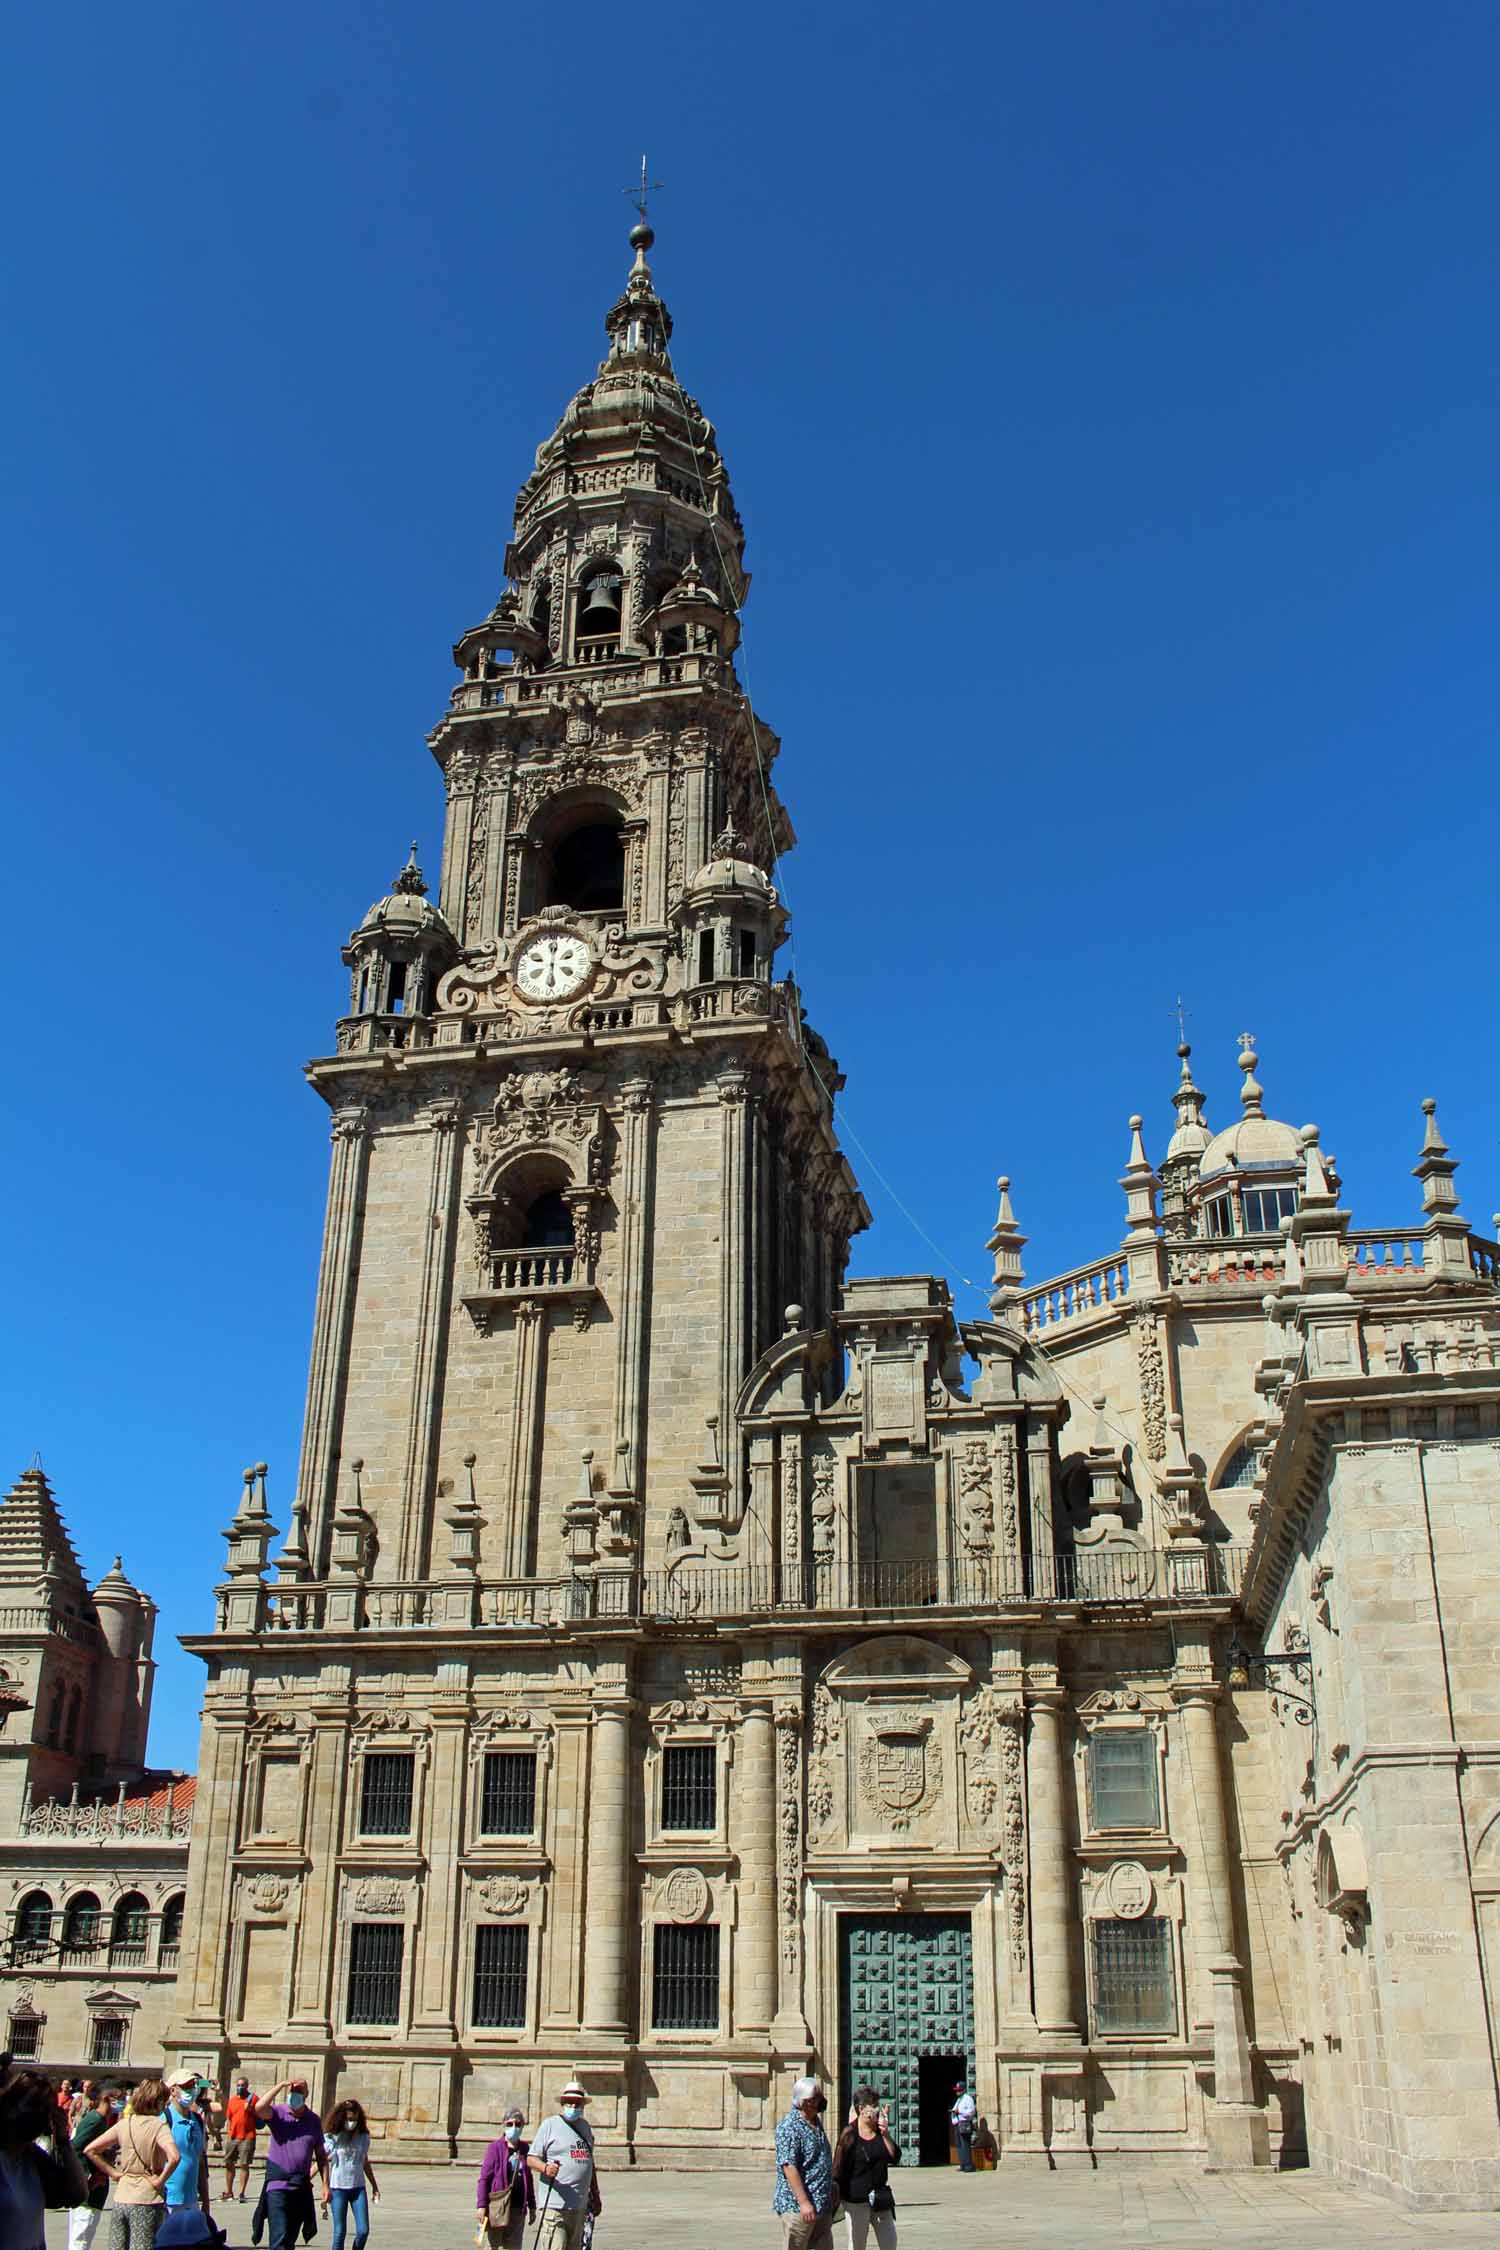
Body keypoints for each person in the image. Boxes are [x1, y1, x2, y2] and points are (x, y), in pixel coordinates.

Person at [0, 2055, 90, 2250]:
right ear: (9, 2106)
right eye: (33, 2105)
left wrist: (63, 2142)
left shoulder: (31, 2157)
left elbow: (75, 2195)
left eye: (46, 2109)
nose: (40, 2115)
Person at [83, 2076, 179, 2249]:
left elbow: (90, 2150)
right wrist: (160, 2180)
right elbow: (174, 2156)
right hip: (147, 2199)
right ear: (157, 2102)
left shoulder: (124, 2124)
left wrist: (113, 2172)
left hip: (122, 2197)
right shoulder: (158, 2126)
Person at [251, 2078, 327, 2250]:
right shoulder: (278, 2113)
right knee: (279, 2237)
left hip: (300, 2187)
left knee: (290, 2238)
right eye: (292, 2091)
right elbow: (259, 2108)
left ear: (306, 2095)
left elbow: (321, 2157)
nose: (295, 2095)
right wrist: (280, 2086)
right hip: (277, 2185)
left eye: (299, 2092)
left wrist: (325, 2185)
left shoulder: (313, 2120)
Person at [527, 2078, 601, 2250]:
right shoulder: (549, 2125)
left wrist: (595, 2193)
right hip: (555, 2207)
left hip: (579, 2206)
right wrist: (545, 2168)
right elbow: (531, 2158)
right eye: (569, 2103)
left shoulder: (586, 2128)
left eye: (577, 2103)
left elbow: (590, 2163)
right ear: (562, 2103)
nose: (573, 2107)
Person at [773, 2075, 838, 2250]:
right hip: (798, 2207)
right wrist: (803, 2202)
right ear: (804, 2102)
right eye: (815, 2098)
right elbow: (789, 2166)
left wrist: (830, 2185)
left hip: (821, 2203)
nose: (820, 2101)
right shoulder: (789, 2126)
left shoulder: (815, 2121)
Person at [832, 2087, 899, 2250]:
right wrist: (837, 2196)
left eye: (877, 2104)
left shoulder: (880, 2131)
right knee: (857, 2245)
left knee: (890, 2242)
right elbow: (838, 2167)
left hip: (880, 2198)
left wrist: (886, 2135)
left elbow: (895, 2157)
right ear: (861, 2109)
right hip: (856, 2201)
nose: (877, 2109)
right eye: (873, 2105)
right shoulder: (849, 2134)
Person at [321, 2094, 380, 2250]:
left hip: (358, 2188)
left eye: (354, 2119)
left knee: (363, 2231)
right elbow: (323, 2161)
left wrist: (374, 2185)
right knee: (340, 2232)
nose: (351, 2123)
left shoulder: (363, 2137)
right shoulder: (332, 2137)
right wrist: (321, 2184)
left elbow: (364, 2161)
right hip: (338, 2188)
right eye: (348, 2119)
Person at [476, 2105, 535, 2250]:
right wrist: (481, 2206)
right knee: (491, 2245)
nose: (514, 2127)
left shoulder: (525, 2148)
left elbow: (529, 2178)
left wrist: (532, 2205)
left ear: (522, 2126)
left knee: (514, 2247)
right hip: (497, 2207)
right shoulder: (494, 2148)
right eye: (510, 2124)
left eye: (517, 2124)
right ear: (504, 2125)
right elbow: (484, 2179)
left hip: (518, 2207)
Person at [69, 2081, 115, 2250]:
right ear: (106, 2098)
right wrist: (88, 2176)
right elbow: (75, 2147)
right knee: (81, 2238)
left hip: (93, 2191)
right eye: (118, 2096)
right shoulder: (95, 2120)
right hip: (89, 2192)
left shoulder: (100, 2120)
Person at [163, 2072, 211, 2215]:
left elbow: (200, 2162)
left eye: (193, 2086)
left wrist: (206, 2201)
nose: (192, 2090)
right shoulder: (164, 2118)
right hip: (167, 2200)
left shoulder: (197, 2120)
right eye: (186, 2087)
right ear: (173, 2090)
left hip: (191, 2201)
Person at [221, 2075, 257, 2205]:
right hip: (233, 2136)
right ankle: (229, 2191)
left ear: (247, 2086)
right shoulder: (232, 2100)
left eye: (242, 2085)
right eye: (238, 2085)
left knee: (244, 2164)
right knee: (229, 2163)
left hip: (247, 2136)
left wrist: (251, 2109)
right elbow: (229, 2117)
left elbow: (259, 2115)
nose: (240, 2087)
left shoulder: (253, 2099)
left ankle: (242, 2192)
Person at [948, 2083, 976, 2174]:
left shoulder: (968, 2099)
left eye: (959, 2090)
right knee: (959, 2145)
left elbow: (971, 2112)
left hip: (964, 2124)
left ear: (963, 2090)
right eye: (956, 2090)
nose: (957, 2092)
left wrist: (959, 2111)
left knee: (965, 2144)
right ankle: (963, 2164)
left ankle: (968, 2166)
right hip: (957, 2124)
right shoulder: (959, 2099)